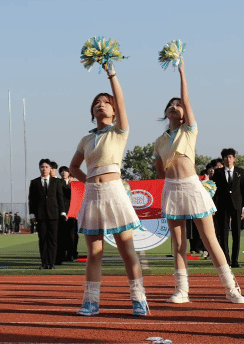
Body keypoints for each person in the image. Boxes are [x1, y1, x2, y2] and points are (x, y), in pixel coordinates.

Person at [154, 63, 244, 303]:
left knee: (210, 240)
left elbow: (186, 99)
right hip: (172, 189)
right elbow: (160, 170)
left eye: (179, 105)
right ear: (166, 113)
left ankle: (231, 288)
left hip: (192, 187)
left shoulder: (189, 130)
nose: (174, 106)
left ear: (185, 113)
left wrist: (182, 72)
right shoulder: (159, 141)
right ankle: (181, 290)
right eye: (171, 105)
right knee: (178, 243)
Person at [68, 62, 147, 316]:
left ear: (114, 111)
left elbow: (122, 103)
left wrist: (111, 74)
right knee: (94, 252)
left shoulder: (119, 131)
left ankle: (139, 299)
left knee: (127, 250)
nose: (100, 105)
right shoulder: (86, 139)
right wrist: (89, 182)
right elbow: (73, 167)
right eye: (96, 103)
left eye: (106, 102)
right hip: (92, 196)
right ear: (92, 112)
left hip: (115, 193)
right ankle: (90, 302)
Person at [28, 159, 66, 269]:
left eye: (46, 167)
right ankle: (44, 263)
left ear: (50, 169)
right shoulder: (34, 182)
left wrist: (63, 212)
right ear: (39, 168)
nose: (44, 169)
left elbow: (60, 198)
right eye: (42, 167)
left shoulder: (56, 182)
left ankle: (51, 263)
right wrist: (32, 215)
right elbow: (31, 200)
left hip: (54, 215)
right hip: (40, 216)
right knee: (43, 239)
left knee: (53, 240)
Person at [212, 149, 244, 268]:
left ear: (234, 159)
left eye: (230, 157)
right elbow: (214, 191)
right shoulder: (218, 173)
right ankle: (226, 260)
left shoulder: (240, 172)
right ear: (223, 159)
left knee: (236, 234)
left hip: (237, 206)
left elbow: (243, 190)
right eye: (225, 157)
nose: (228, 159)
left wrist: (243, 208)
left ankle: (235, 261)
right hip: (222, 207)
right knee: (223, 234)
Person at [57, 166, 79, 263]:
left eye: (65, 171)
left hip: (73, 213)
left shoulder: (74, 183)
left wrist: (72, 185)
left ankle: (72, 254)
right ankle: (62, 255)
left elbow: (78, 197)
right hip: (62, 212)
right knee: (62, 235)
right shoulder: (58, 183)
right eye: (61, 171)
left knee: (73, 235)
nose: (63, 173)